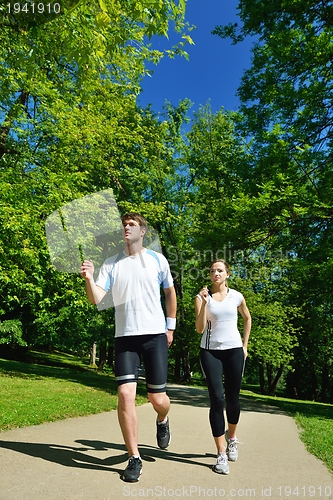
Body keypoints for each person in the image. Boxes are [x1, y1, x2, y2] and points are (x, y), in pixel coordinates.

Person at [80, 212, 177, 482]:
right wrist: (89, 279)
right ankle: (134, 457)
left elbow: (170, 293)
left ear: (142, 232)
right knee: (125, 395)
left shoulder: (157, 260)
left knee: (158, 399)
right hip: (125, 338)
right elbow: (97, 299)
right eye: (124, 225)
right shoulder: (112, 264)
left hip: (155, 335)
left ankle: (162, 419)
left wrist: (171, 327)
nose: (126, 228)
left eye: (132, 225)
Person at [194, 259, 251, 475]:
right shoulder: (201, 297)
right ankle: (221, 454)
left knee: (233, 399)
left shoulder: (237, 296)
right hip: (210, 352)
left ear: (227, 273)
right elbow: (199, 328)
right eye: (212, 271)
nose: (215, 273)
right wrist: (204, 303)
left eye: (219, 270)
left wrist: (244, 346)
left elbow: (247, 319)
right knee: (217, 399)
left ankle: (232, 438)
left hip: (234, 350)